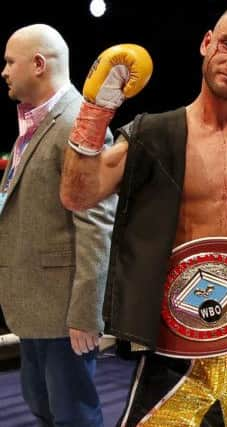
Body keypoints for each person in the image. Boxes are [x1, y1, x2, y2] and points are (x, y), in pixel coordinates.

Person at [60, 2, 227, 426]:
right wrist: (96, 109)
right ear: (207, 43)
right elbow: (78, 195)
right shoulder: (155, 134)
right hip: (176, 343)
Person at [0, 24, 117, 426]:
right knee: (44, 407)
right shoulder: (33, 127)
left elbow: (98, 223)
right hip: (35, 303)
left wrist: (86, 312)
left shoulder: (76, 124)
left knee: (73, 415)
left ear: (37, 64)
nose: (4, 71)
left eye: (9, 62)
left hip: (65, 311)